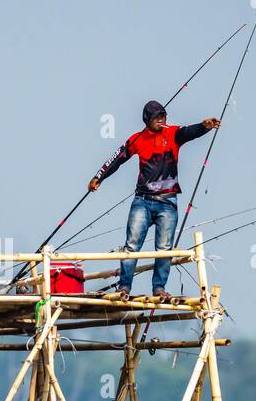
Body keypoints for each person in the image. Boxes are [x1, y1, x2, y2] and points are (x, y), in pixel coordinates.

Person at [88, 100, 221, 301]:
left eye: (163, 116)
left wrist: (204, 126)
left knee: (164, 248)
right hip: (142, 201)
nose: (161, 121)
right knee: (131, 246)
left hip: (168, 202)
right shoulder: (137, 139)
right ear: (147, 120)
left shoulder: (173, 134)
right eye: (157, 117)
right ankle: (124, 287)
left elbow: (189, 132)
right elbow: (116, 159)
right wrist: (99, 177)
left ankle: (159, 288)